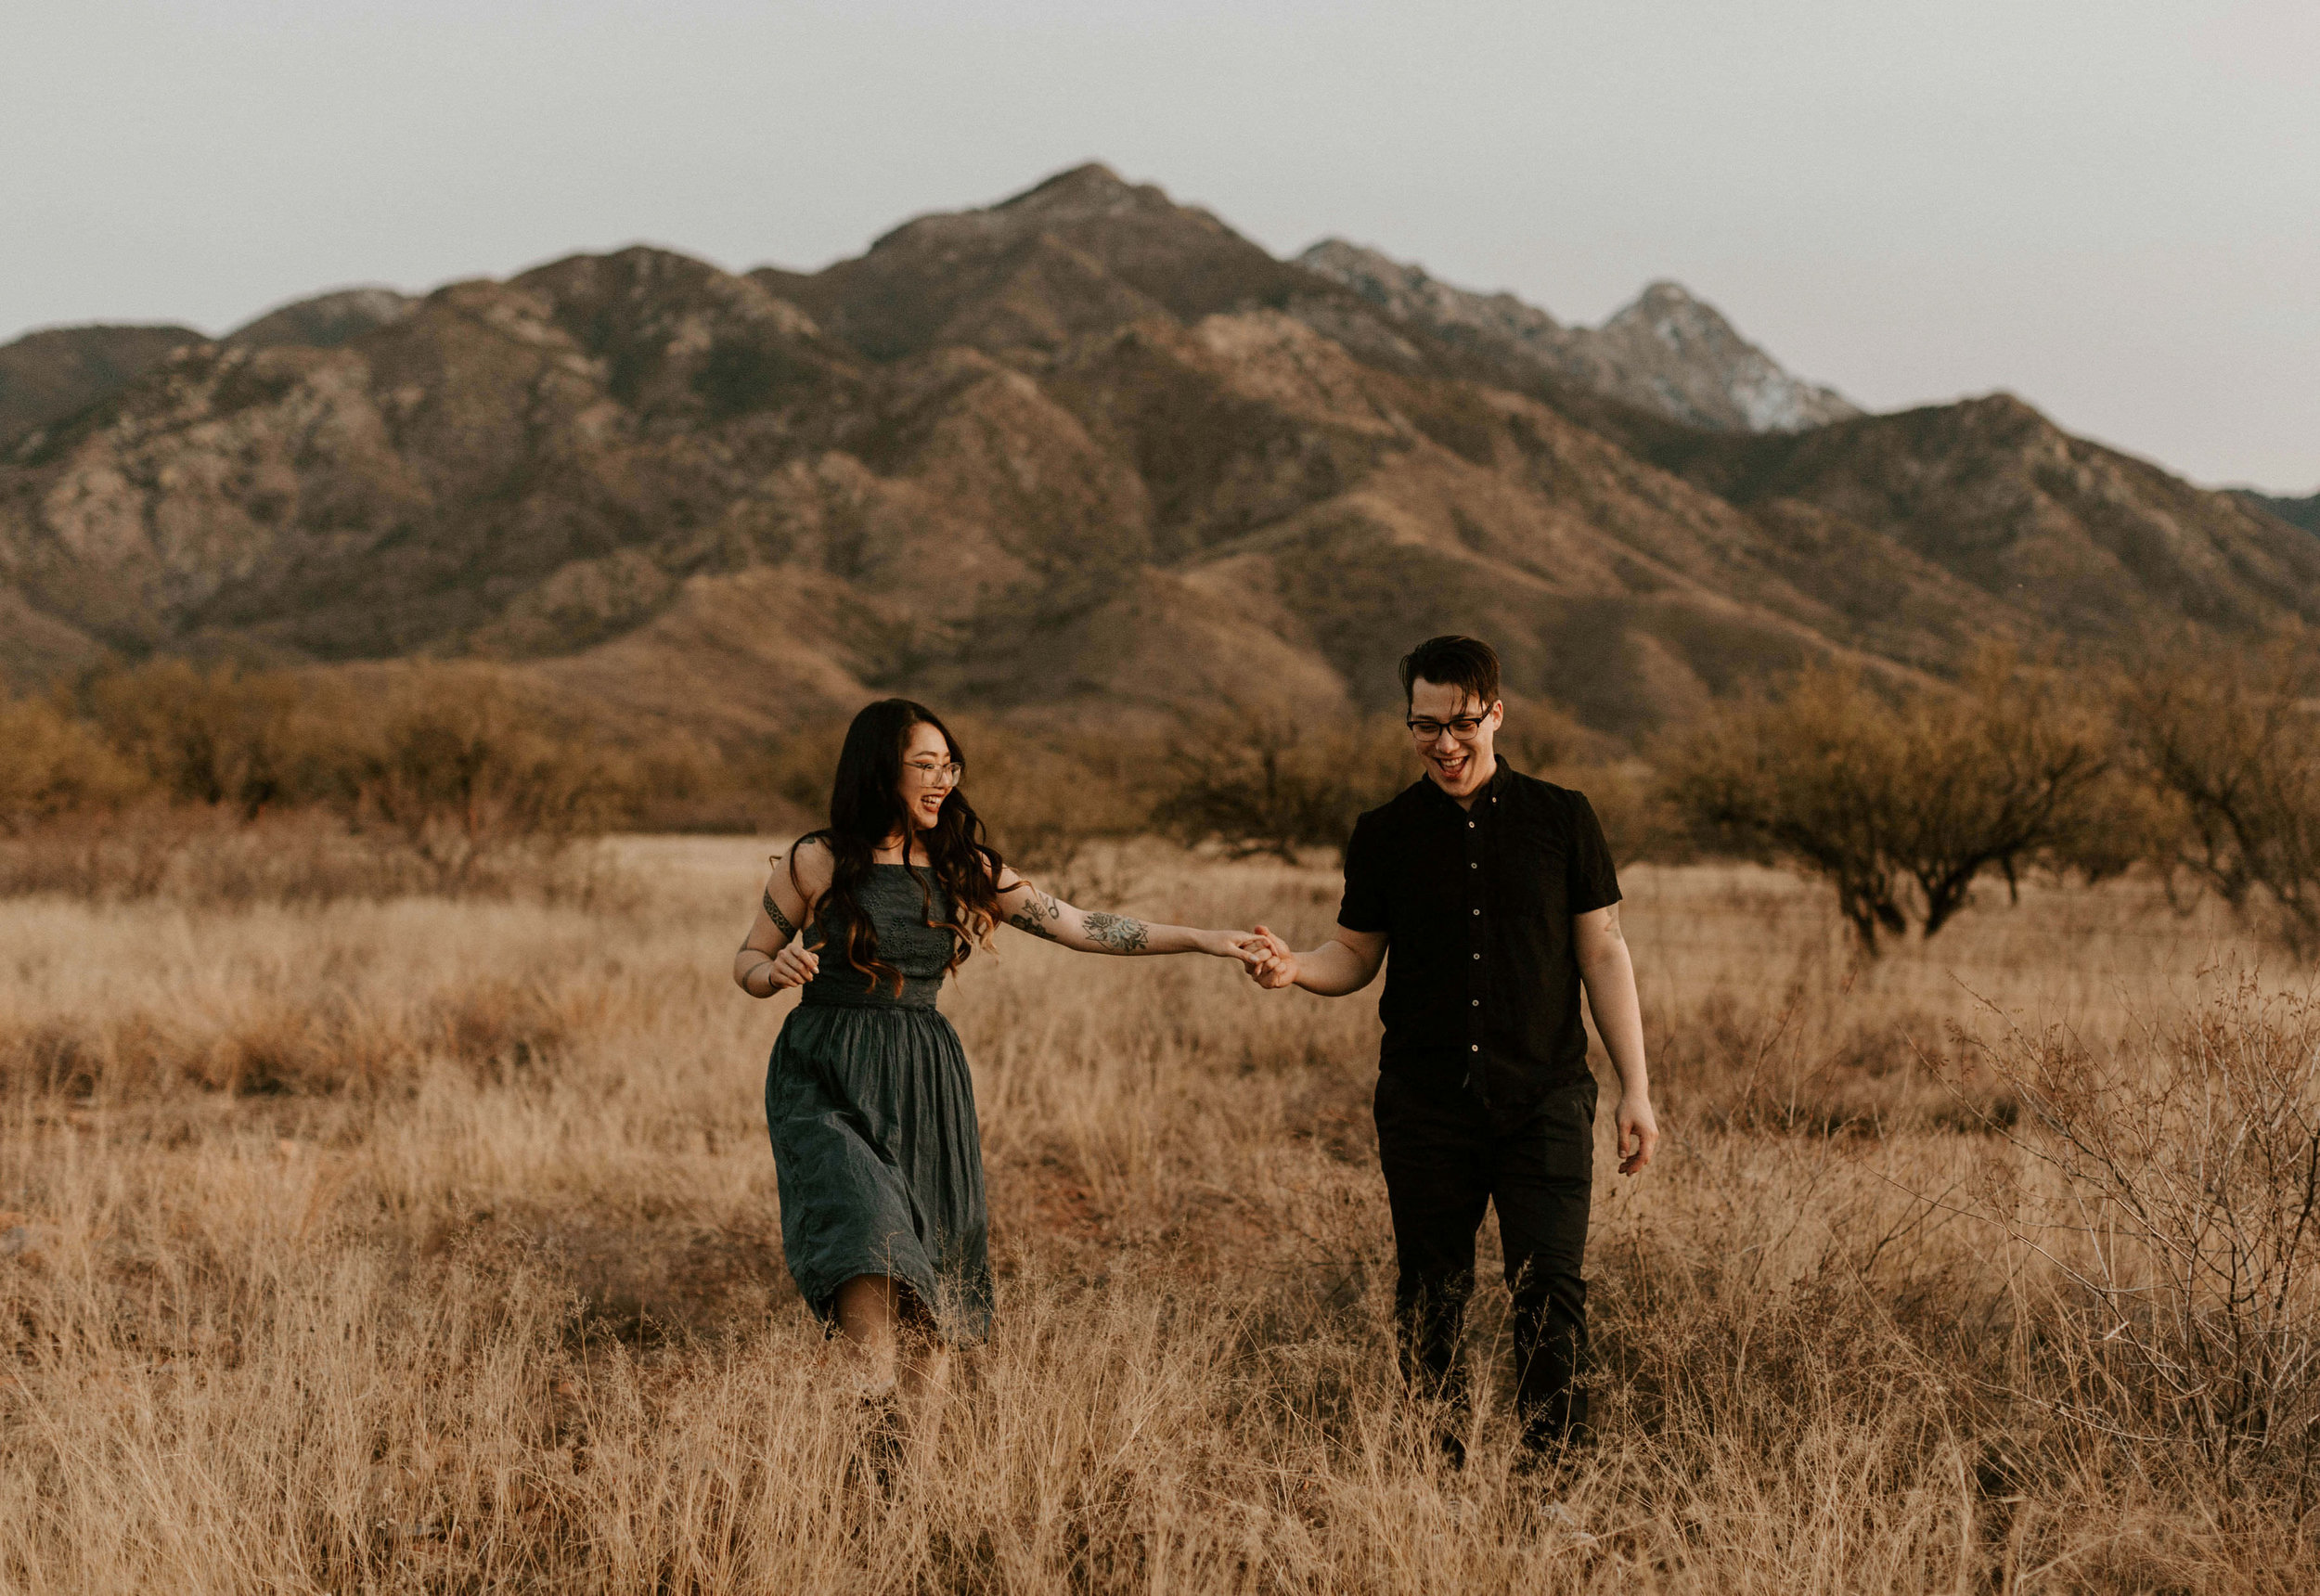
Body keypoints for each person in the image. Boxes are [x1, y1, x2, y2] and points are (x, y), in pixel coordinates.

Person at [733, 697, 1263, 1460]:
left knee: (936, 1282)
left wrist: (1206, 939)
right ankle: (863, 1446)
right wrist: (772, 970)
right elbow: (746, 960)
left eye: (950, 764)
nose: (943, 778)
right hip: (824, 1073)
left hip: (924, 1079)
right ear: (881, 769)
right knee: (863, 1242)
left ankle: (905, 1485)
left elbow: (1080, 926)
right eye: (926, 764)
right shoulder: (816, 859)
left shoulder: (964, 866)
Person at [1244, 635, 1658, 1466]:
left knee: (1550, 1295)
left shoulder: (1562, 818)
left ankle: (1554, 1482)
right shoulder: (1384, 834)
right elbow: (1356, 957)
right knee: (1431, 1298)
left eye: (1462, 723)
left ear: (1496, 715)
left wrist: (1636, 1092)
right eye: (1424, 725)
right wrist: (1295, 971)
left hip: (1545, 1096)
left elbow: (1604, 952)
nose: (1444, 743)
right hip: (1427, 1104)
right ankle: (1433, 1476)